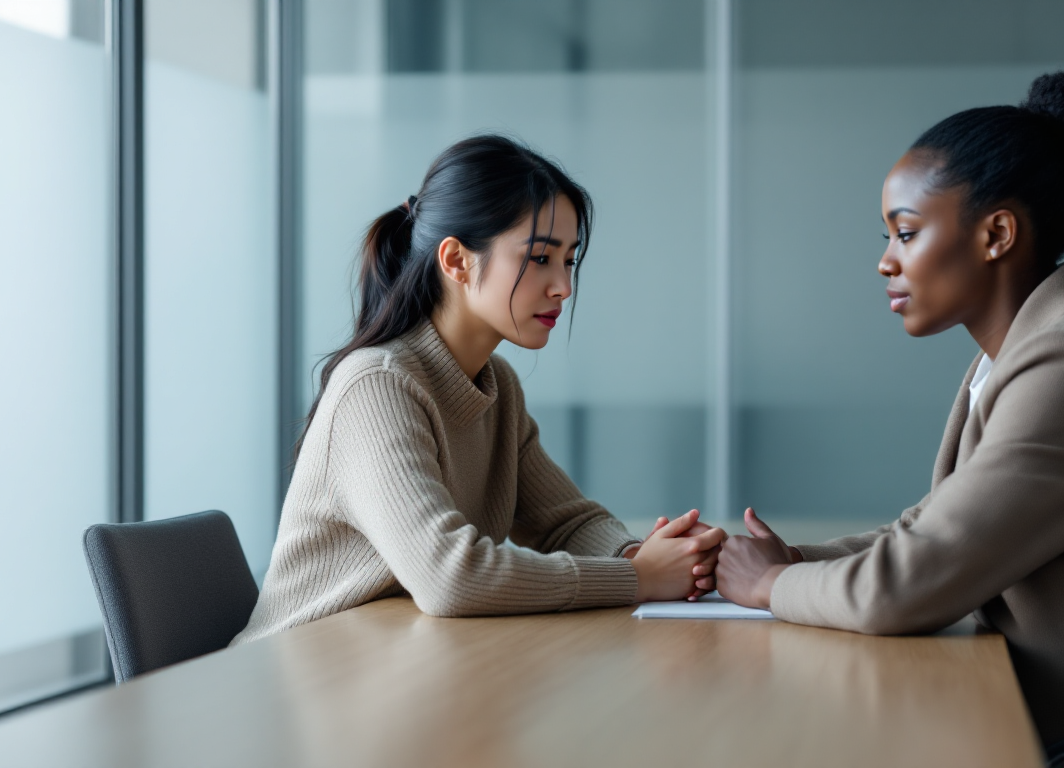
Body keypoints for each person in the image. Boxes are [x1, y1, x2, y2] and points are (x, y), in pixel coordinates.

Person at [710, 72, 1064, 745]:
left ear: (996, 234)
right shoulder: (1015, 357)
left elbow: (908, 583)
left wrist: (772, 584)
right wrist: (791, 561)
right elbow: (929, 532)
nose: (885, 263)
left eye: (906, 232)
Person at [233, 135, 722, 645]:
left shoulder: (497, 387)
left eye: (569, 260)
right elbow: (449, 576)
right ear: (457, 261)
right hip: (290, 686)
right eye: (539, 258)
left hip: (394, 670)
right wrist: (638, 579)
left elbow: (564, 523)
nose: (563, 286)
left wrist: (641, 556)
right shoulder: (376, 386)